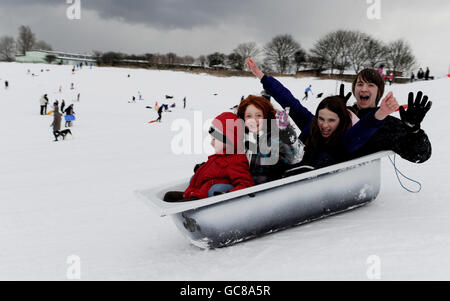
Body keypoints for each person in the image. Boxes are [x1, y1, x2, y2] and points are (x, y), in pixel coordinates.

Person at [246, 57, 398, 169]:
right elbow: (289, 100)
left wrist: (382, 112)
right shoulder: (312, 124)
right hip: (286, 168)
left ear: (341, 122)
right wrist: (261, 76)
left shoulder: (346, 140)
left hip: (310, 178)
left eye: (331, 121)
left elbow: (364, 129)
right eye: (321, 119)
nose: (324, 125)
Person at [163, 112, 254, 202]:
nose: (211, 143)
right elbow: (217, 171)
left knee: (216, 188)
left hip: (205, 198)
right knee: (170, 195)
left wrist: (228, 194)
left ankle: (193, 199)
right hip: (199, 192)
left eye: (215, 139)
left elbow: (246, 183)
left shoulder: (236, 160)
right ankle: (189, 194)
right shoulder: (221, 155)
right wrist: (201, 168)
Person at [347, 68, 432, 163]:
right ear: (354, 89)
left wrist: (414, 131)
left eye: (370, 85)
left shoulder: (387, 124)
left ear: (378, 92)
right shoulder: (342, 114)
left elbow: (420, 155)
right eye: (360, 84)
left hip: (363, 176)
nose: (363, 89)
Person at [237, 95, 303, 184]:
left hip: (269, 192)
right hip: (247, 191)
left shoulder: (274, 139)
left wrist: (287, 133)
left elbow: (293, 158)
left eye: (258, 115)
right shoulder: (246, 141)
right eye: (249, 116)